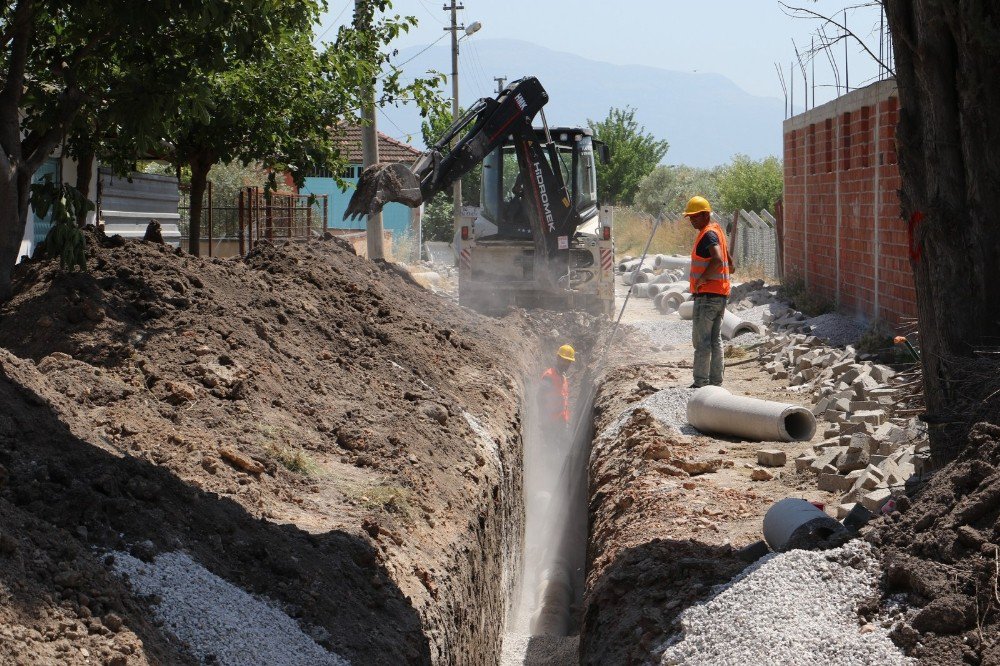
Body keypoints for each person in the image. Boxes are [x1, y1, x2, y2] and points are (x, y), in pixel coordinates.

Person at [683, 196, 733, 388]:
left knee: (702, 341)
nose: (692, 221)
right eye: (690, 217)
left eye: (694, 217)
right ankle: (715, 382)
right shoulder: (717, 231)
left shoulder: (708, 235)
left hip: (707, 295)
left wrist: (703, 279)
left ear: (705, 214)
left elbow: (718, 259)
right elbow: (729, 262)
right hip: (719, 295)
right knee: (714, 340)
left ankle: (700, 383)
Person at [538, 344, 575, 438]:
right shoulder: (549, 377)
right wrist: (544, 420)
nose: (566, 364)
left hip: (562, 421)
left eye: (568, 361)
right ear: (558, 358)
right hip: (551, 422)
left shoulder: (563, 377)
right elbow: (539, 398)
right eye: (564, 360)